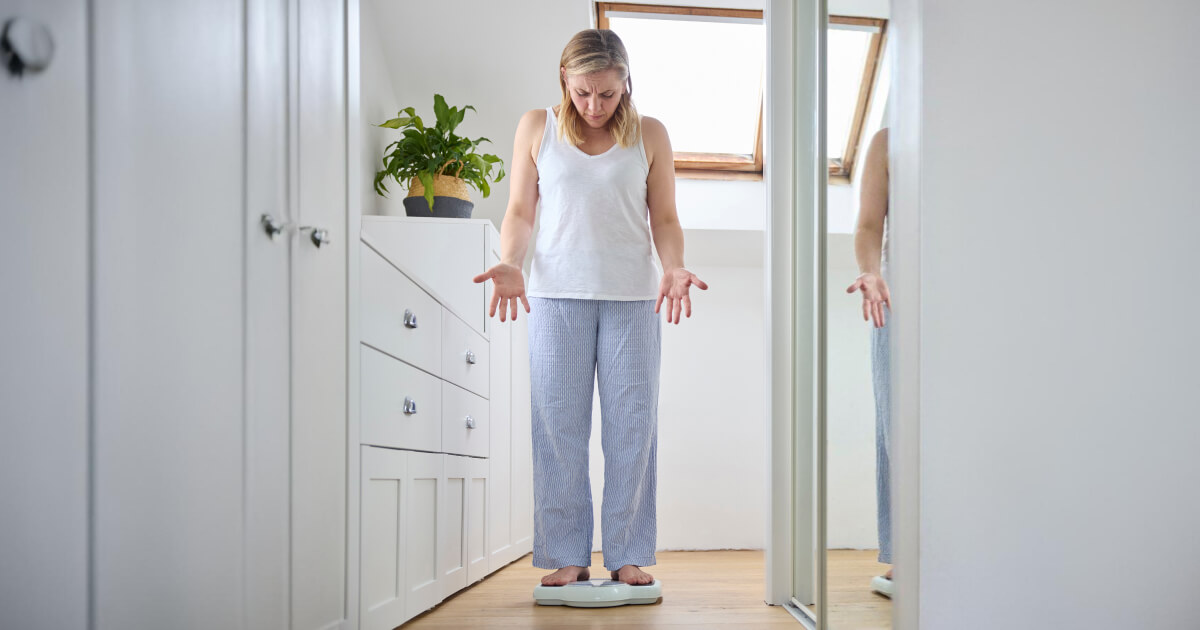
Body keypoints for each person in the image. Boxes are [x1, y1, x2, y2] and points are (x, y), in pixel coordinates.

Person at [473, 29, 707, 588]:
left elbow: (665, 218)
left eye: (607, 93)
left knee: (632, 428)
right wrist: (510, 260)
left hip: (632, 298)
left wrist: (674, 266)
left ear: (626, 83)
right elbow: (520, 212)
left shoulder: (649, 134)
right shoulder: (537, 127)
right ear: (564, 80)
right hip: (555, 297)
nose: (595, 106)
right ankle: (565, 554)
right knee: (558, 428)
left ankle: (628, 551)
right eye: (583, 93)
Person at [846, 127, 893, 598]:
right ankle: (908, 551)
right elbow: (868, 225)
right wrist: (870, 273)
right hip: (894, 295)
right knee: (895, 424)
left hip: (971, 295)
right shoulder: (888, 142)